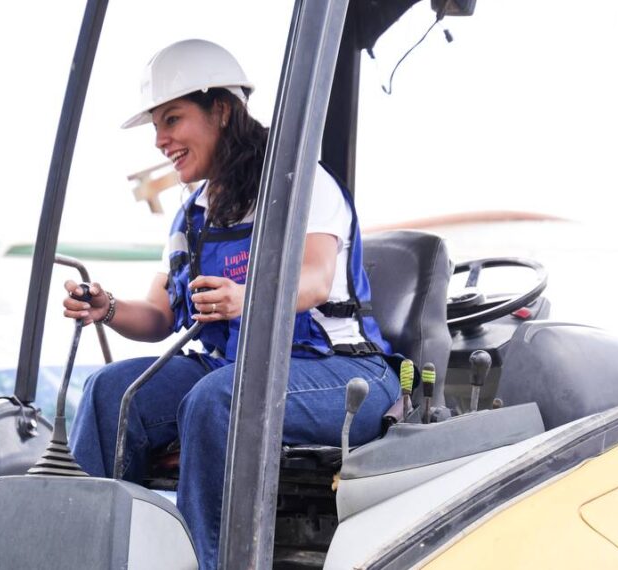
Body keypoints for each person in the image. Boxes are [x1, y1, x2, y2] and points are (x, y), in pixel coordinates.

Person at [63, 39, 400, 569]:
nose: (160, 140)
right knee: (109, 391)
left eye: (172, 119)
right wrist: (107, 307)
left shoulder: (301, 183)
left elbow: (313, 279)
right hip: (237, 371)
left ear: (220, 109)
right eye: (156, 126)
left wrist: (249, 299)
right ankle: (88, 556)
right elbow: (158, 317)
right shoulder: (192, 215)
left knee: (219, 400)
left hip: (341, 372)